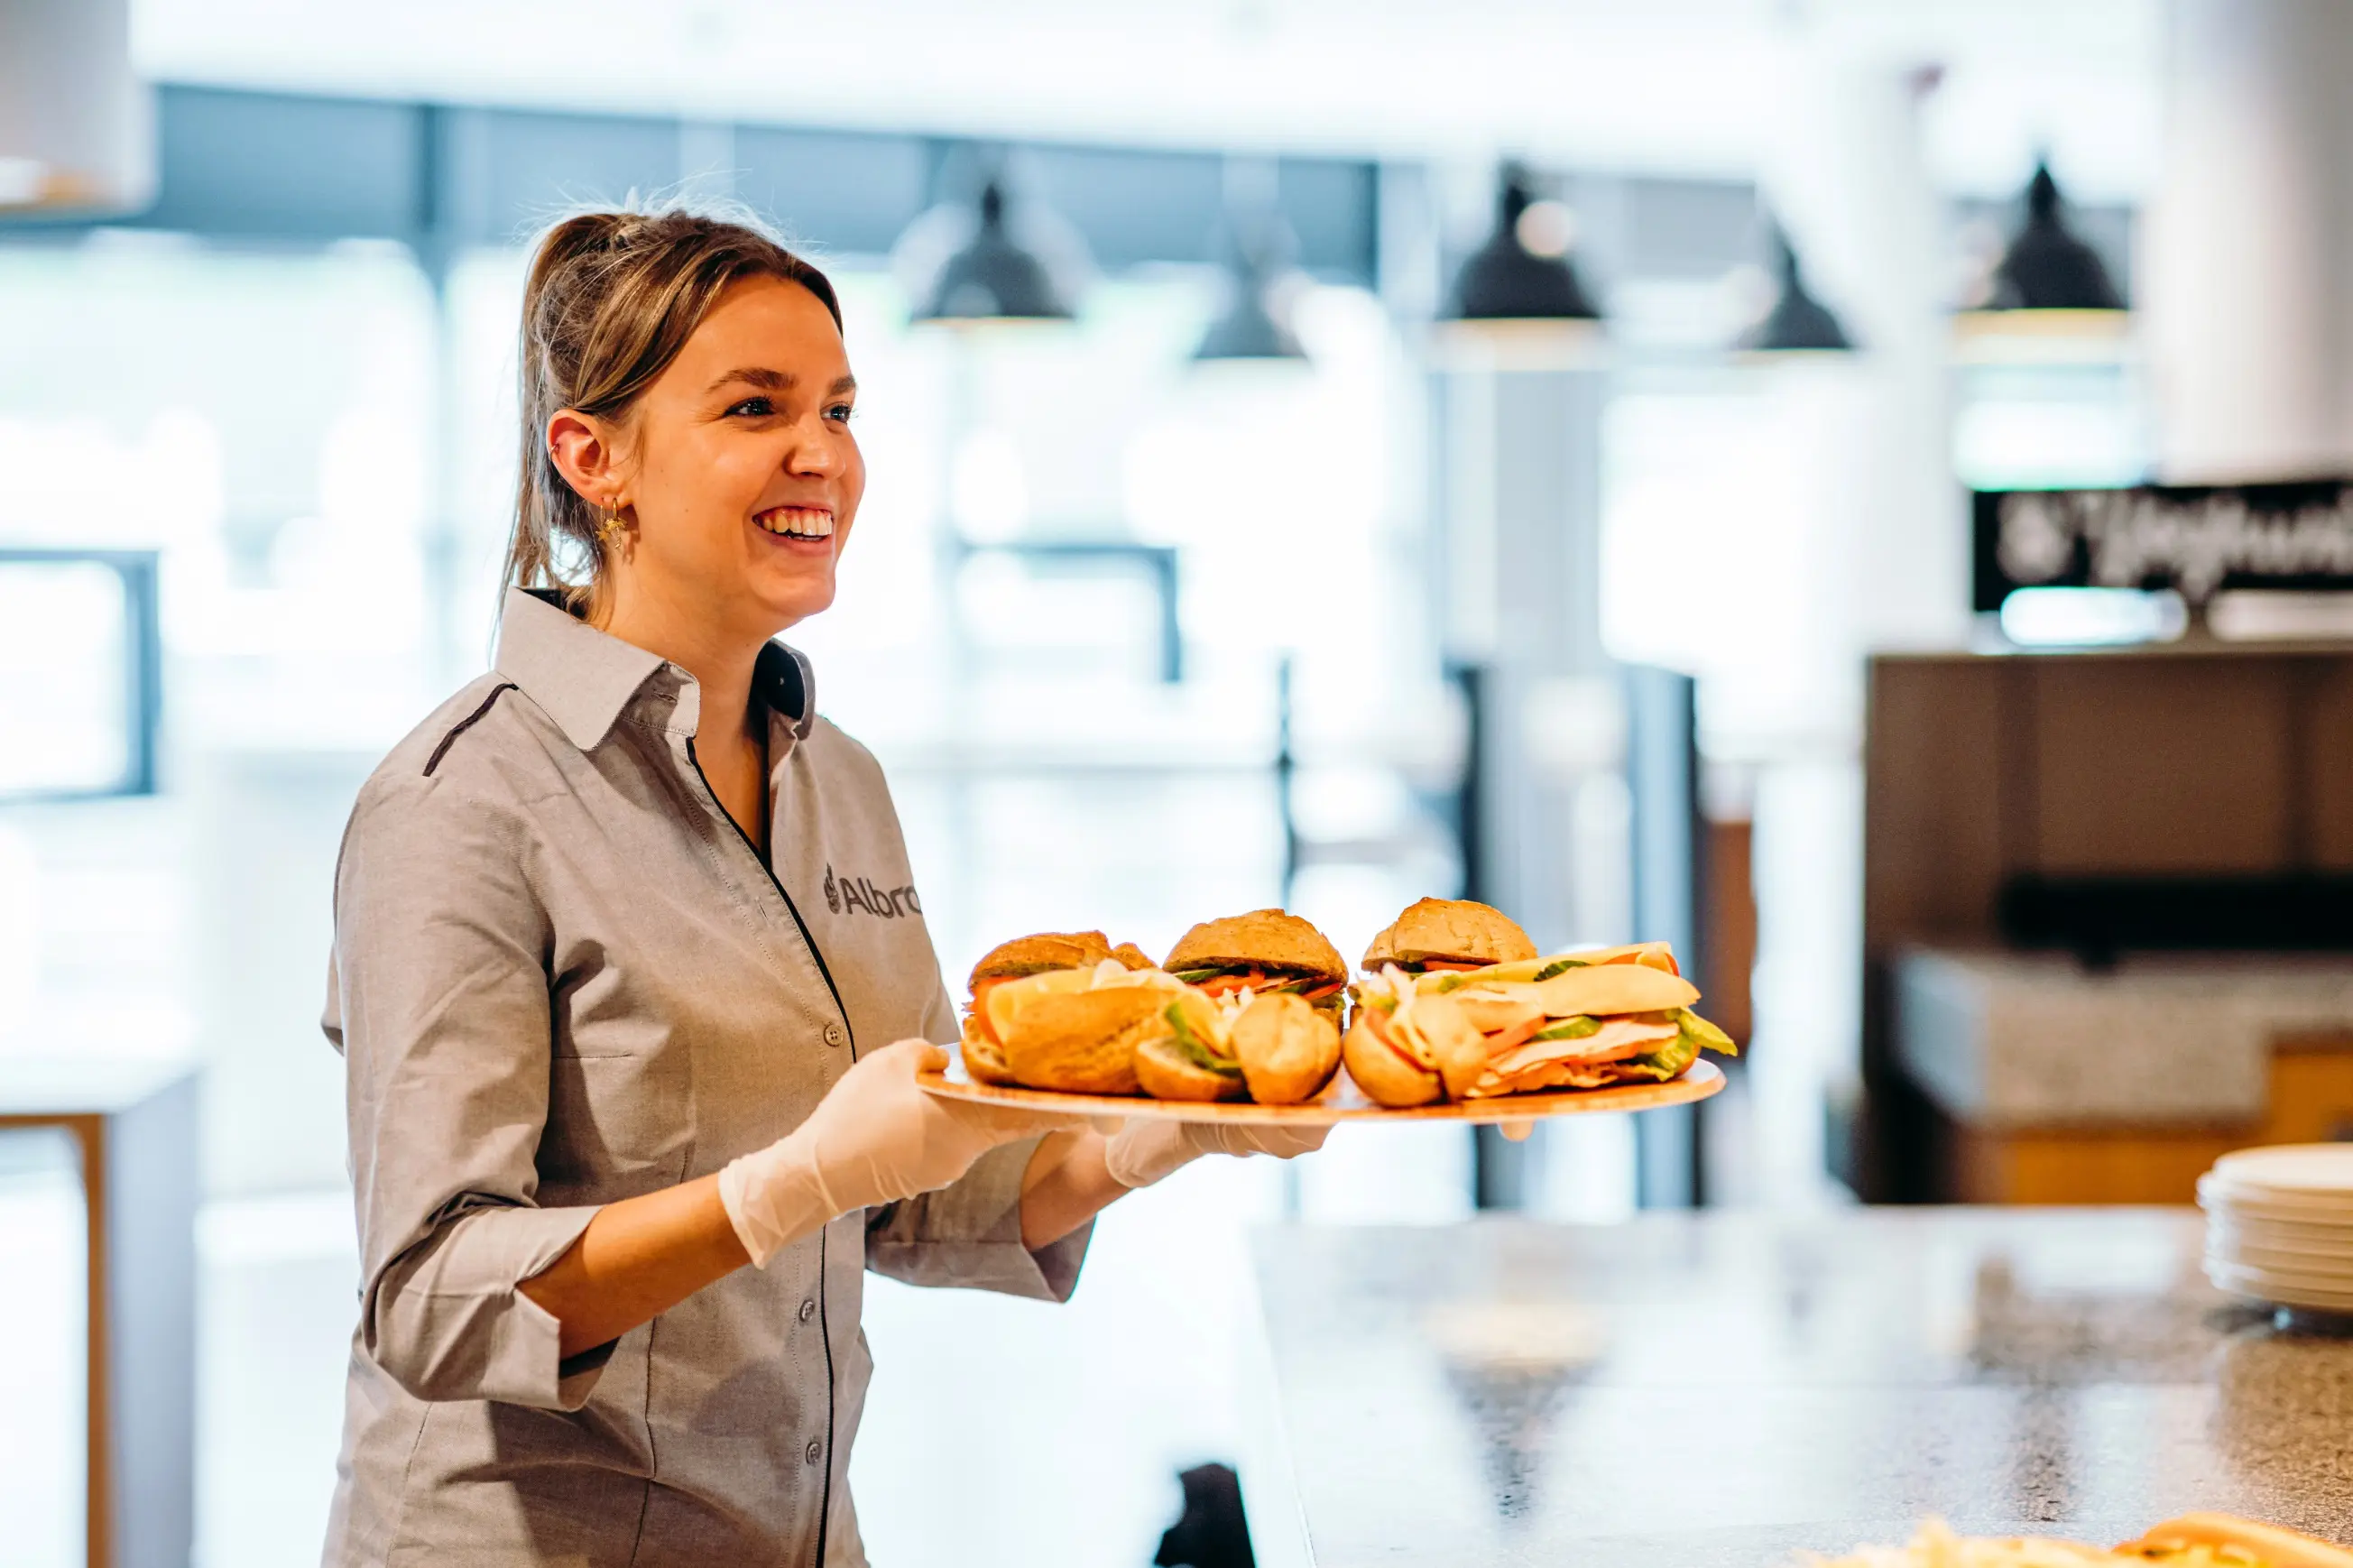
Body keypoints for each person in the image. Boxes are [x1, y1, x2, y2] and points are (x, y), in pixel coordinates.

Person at [319, 205, 1324, 1568]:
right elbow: (433, 1298)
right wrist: (778, 1188)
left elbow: (917, 1191)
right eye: (756, 406)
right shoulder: (460, 802)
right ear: (592, 454)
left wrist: (1158, 1136)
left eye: (840, 408)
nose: (824, 455)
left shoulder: (836, 778)